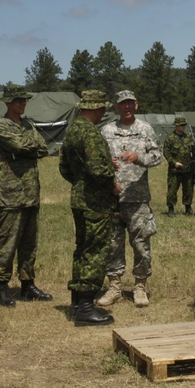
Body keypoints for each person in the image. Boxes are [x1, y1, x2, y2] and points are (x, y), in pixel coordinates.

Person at [59, 89, 121, 326]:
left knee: (82, 249)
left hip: (79, 198)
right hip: (95, 202)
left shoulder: (73, 130)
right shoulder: (91, 133)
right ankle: (86, 306)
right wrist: (111, 182)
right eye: (103, 107)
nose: (105, 111)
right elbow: (97, 170)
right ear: (95, 108)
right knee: (95, 251)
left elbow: (65, 167)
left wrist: (79, 181)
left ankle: (77, 302)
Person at [97, 90, 163, 308]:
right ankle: (114, 287)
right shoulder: (107, 130)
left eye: (129, 104)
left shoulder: (145, 129)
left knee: (141, 244)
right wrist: (108, 170)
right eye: (121, 104)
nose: (126, 107)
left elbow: (157, 157)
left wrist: (138, 158)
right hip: (112, 198)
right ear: (117, 107)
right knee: (112, 244)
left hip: (138, 199)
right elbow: (97, 159)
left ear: (136, 105)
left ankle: (140, 287)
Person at [0, 82, 53, 307]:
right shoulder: (0, 125)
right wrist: (29, 146)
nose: (23, 103)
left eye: (25, 100)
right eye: (19, 100)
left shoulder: (27, 123)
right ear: (8, 103)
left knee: (29, 243)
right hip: (11, 192)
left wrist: (29, 146)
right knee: (7, 241)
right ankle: (1, 286)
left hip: (31, 192)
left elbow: (43, 148)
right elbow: (17, 145)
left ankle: (27, 285)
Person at [162, 116, 194, 216]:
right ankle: (171, 208)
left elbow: (192, 150)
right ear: (176, 126)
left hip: (187, 169)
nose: (183, 127)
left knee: (188, 189)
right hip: (175, 169)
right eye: (181, 125)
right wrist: (174, 162)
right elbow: (166, 153)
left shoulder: (188, 137)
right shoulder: (170, 138)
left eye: (184, 125)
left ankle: (188, 208)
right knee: (172, 190)